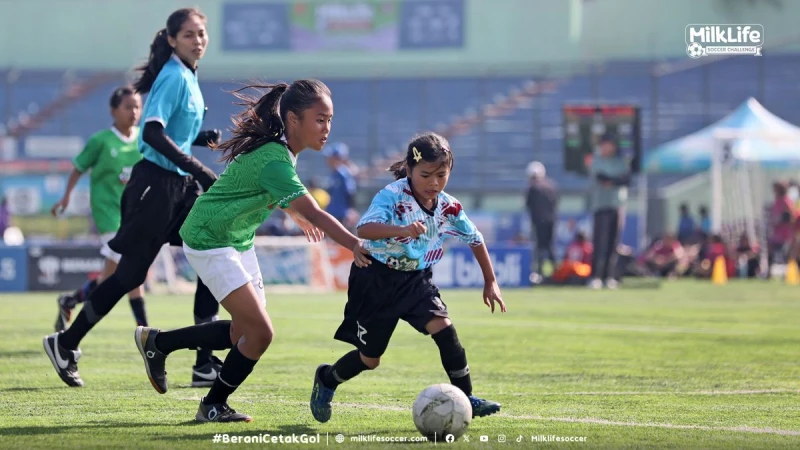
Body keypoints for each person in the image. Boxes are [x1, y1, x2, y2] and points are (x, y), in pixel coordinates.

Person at [132, 80, 371, 423]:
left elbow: (259, 187)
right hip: (210, 238)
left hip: (236, 240)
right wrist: (354, 244)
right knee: (261, 333)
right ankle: (211, 404)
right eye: (320, 119)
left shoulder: (279, 154)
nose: (327, 128)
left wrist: (292, 211)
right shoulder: (276, 159)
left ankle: (160, 343)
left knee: (242, 334)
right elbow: (316, 211)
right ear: (293, 119)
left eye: (330, 119)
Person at [43, 7, 224, 389]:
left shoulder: (189, 75)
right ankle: (65, 342)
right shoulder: (174, 76)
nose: (199, 40)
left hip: (177, 187)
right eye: (190, 34)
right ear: (173, 40)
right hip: (155, 187)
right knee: (128, 275)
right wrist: (200, 168)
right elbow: (152, 135)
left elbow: (171, 133)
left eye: (202, 33)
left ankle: (204, 363)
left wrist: (200, 136)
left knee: (212, 247)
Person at [309, 132, 506, 424]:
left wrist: (490, 281)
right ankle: (327, 378)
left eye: (442, 174)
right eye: (425, 175)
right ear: (410, 170)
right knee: (369, 359)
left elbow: (475, 238)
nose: (434, 183)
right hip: (375, 279)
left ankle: (466, 398)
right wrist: (402, 230)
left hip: (415, 280)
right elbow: (365, 229)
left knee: (445, 329)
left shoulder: (448, 206)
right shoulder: (391, 195)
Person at [50, 86, 148, 332]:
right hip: (108, 215)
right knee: (132, 267)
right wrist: (65, 198)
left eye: (137, 106)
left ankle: (71, 300)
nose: (134, 112)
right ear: (113, 111)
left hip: (133, 216)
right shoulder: (100, 141)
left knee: (113, 277)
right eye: (128, 107)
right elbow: (78, 168)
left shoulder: (144, 139)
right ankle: (145, 331)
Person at [586, 133, 630, 289]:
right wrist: (614, 180)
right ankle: (595, 276)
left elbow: (625, 179)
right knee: (600, 242)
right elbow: (600, 177)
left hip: (617, 205)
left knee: (613, 243)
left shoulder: (619, 161)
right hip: (601, 206)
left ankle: (609, 276)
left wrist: (612, 181)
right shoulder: (597, 161)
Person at [525, 161, 558, 280]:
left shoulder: (533, 188)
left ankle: (538, 272)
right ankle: (556, 271)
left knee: (539, 247)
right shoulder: (551, 186)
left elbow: (528, 205)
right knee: (549, 246)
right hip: (552, 220)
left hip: (538, 221)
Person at [323, 142, 358, 222]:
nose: (327, 160)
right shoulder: (334, 173)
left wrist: (351, 210)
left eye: (330, 158)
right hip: (332, 212)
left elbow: (351, 193)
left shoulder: (343, 173)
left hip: (343, 214)